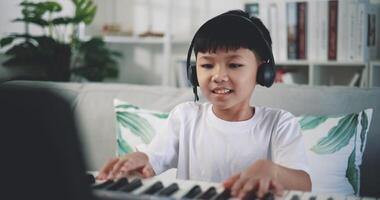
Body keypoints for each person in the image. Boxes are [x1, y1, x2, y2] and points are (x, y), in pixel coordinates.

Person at [97, 10, 312, 199]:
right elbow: (152, 159)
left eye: (234, 64)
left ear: (263, 72)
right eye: (207, 65)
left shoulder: (279, 123)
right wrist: (139, 160)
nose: (218, 76)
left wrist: (272, 171)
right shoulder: (185, 117)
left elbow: (304, 184)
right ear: (193, 72)